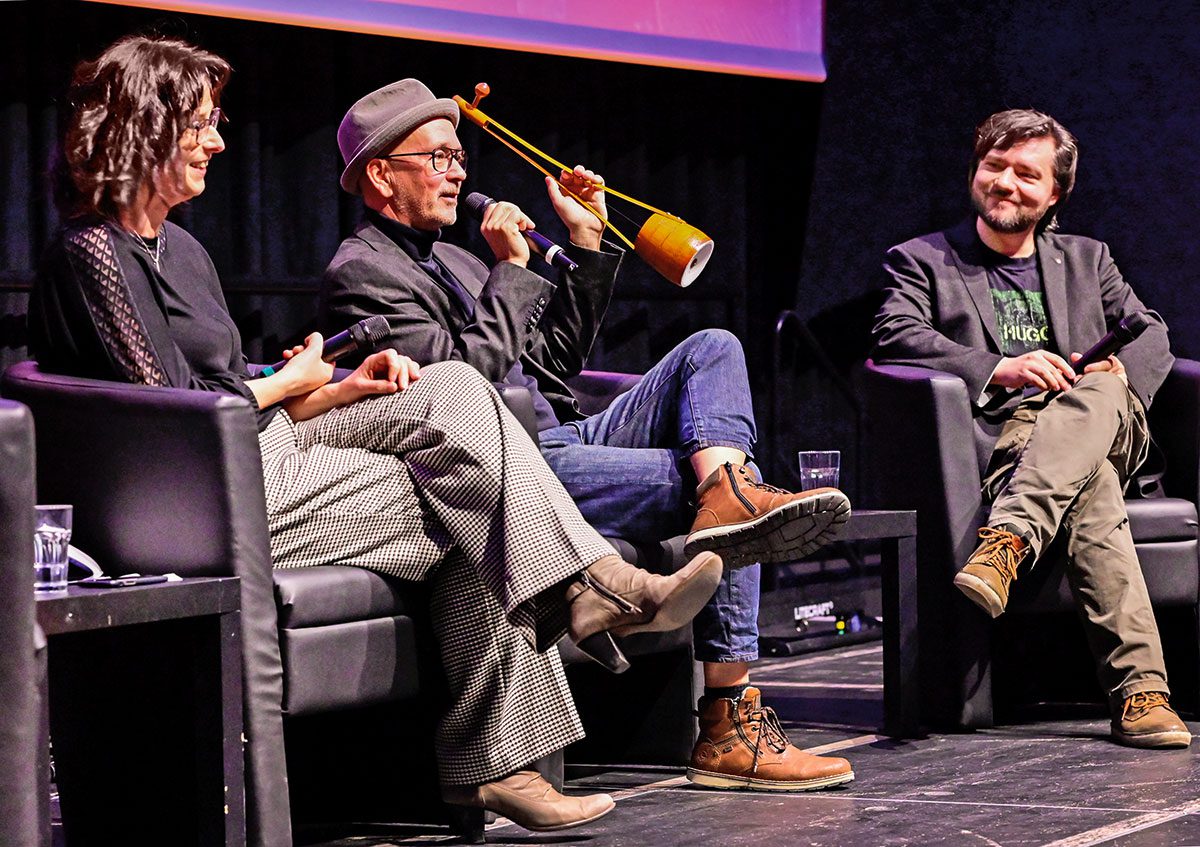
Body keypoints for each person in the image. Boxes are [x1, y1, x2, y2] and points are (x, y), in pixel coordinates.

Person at [29, 35, 728, 836]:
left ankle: (580, 610)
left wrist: (327, 392)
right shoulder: (90, 253)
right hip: (198, 498)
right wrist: (281, 387)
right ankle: (521, 715)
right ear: (144, 127)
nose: (219, 142)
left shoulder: (181, 248)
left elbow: (228, 395)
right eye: (201, 124)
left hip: (262, 452)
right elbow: (170, 414)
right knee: (469, 497)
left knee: (457, 401)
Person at [319, 79, 856, 791]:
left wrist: (585, 240)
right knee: (730, 498)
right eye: (438, 157)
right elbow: (459, 388)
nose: (458, 171)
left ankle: (726, 492)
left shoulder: (452, 257)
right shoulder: (361, 270)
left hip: (563, 432)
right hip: (506, 465)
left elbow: (551, 362)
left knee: (715, 348)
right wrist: (512, 272)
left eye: (458, 155)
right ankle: (728, 719)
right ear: (381, 174)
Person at [872, 108, 1189, 749]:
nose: (1006, 183)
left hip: (1102, 421)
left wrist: (1114, 373)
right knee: (1089, 485)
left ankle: (1007, 541)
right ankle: (1141, 694)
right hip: (1006, 444)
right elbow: (894, 333)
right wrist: (1003, 368)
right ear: (975, 171)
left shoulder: (1087, 258)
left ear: (1054, 194)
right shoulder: (922, 261)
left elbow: (1150, 330)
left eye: (1026, 173)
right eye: (994, 166)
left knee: (1096, 386)